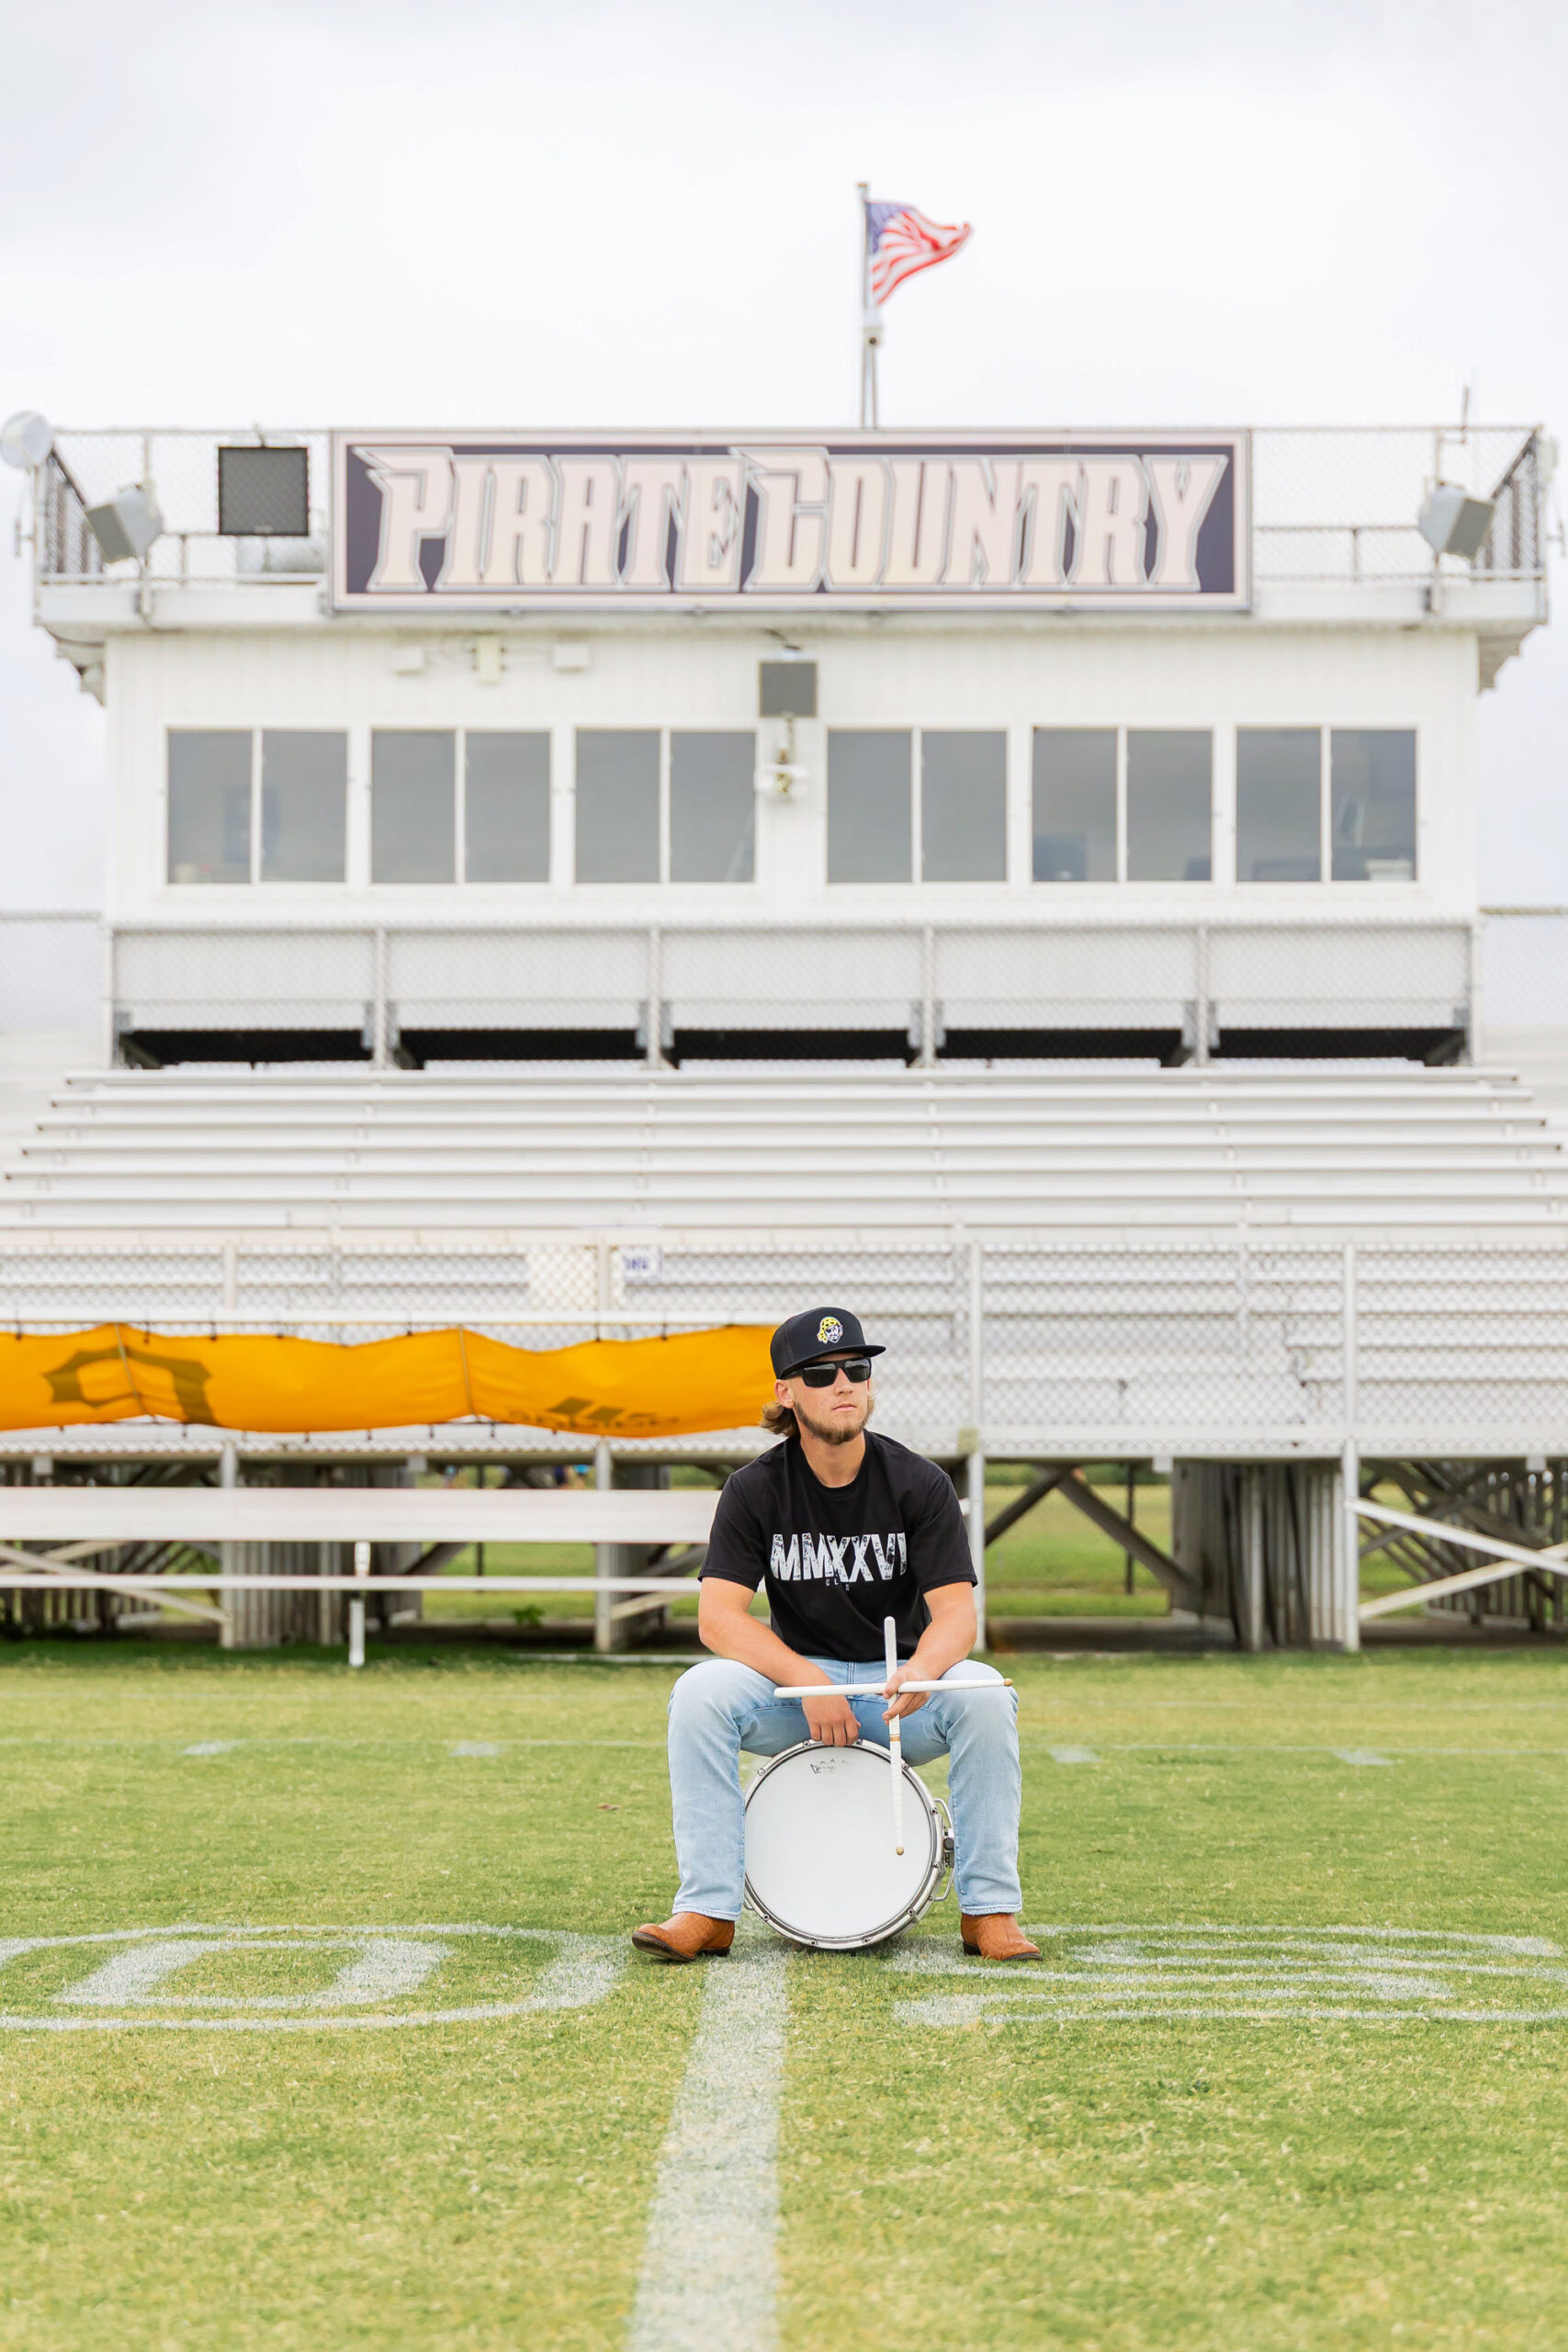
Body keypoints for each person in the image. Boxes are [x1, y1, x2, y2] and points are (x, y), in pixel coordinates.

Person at [633, 1306, 1038, 1963]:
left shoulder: (919, 1483)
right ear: (784, 1393)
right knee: (700, 1694)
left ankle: (988, 1910)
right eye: (820, 1374)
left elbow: (956, 1616)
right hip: (798, 1696)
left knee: (986, 1694)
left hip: (897, 1689)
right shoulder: (752, 1489)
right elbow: (718, 1618)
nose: (844, 1383)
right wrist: (804, 1677)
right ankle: (706, 1911)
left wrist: (922, 1667)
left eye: (857, 1368)